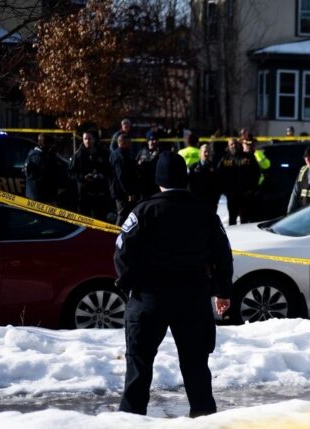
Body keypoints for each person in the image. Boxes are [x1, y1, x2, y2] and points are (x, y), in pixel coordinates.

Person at [114, 151, 233, 417]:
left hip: (149, 298)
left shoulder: (143, 211)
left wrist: (131, 284)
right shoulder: (204, 212)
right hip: (192, 299)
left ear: (158, 180)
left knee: (139, 367)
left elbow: (122, 251)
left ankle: (131, 420)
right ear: (185, 179)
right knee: (196, 367)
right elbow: (223, 254)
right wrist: (223, 291)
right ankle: (204, 420)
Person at [216, 138, 260, 225]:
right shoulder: (225, 159)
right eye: (231, 144)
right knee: (232, 219)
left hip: (245, 195)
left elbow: (256, 173)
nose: (234, 146)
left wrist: (252, 189)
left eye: (235, 144)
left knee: (245, 219)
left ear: (239, 145)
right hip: (232, 195)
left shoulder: (248, 157)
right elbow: (219, 176)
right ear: (228, 146)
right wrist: (224, 191)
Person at [70, 130, 111, 220]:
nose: (87, 141)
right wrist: (83, 177)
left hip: (100, 193)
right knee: (84, 219)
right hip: (84, 194)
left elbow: (109, 169)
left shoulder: (103, 153)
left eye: (89, 138)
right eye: (85, 139)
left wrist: (102, 175)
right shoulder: (78, 155)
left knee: (101, 219)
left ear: (94, 139)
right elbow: (72, 173)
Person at [110, 133, 141, 225]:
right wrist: (129, 193)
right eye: (128, 142)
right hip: (122, 193)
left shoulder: (127, 153)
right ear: (122, 143)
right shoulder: (119, 156)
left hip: (127, 191)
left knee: (129, 215)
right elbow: (121, 177)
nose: (131, 143)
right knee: (122, 215)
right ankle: (116, 233)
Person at [24, 133, 58, 204]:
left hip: (32, 195)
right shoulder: (39, 157)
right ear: (44, 144)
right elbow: (48, 174)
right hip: (38, 196)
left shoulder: (32, 154)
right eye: (49, 145)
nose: (50, 147)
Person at [188, 143, 220, 214]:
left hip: (211, 202)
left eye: (208, 152)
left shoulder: (215, 166)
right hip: (198, 201)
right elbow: (190, 184)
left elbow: (218, 184)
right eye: (205, 152)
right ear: (200, 153)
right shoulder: (193, 167)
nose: (207, 154)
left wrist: (216, 199)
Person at [136, 131, 161, 200]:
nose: (153, 142)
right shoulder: (142, 152)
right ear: (148, 141)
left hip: (155, 184)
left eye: (155, 140)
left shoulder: (161, 153)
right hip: (144, 184)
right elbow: (135, 165)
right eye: (151, 140)